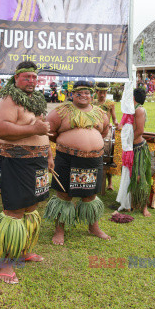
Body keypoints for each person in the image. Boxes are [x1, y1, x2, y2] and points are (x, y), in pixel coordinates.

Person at [0, 61, 53, 284]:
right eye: (27, 77)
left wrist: (49, 156)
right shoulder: (7, 99)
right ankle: (4, 262)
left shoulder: (34, 100)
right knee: (14, 211)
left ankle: (23, 250)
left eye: (34, 77)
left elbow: (42, 130)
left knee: (30, 207)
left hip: (37, 162)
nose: (31, 81)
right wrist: (33, 129)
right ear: (15, 78)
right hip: (14, 162)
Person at [44, 81, 110, 246]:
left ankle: (93, 227)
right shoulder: (61, 111)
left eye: (87, 92)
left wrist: (90, 144)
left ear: (91, 94)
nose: (83, 96)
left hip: (93, 159)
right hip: (67, 158)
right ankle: (59, 230)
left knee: (90, 195)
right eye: (79, 93)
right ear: (72, 94)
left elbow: (104, 131)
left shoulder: (100, 113)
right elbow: (47, 132)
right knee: (64, 195)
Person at [128, 88, 152, 217]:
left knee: (140, 178)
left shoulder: (139, 110)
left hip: (138, 147)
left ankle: (144, 207)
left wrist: (129, 142)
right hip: (131, 146)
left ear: (134, 97)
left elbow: (140, 130)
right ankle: (132, 203)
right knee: (131, 177)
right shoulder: (133, 109)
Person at [93, 82, 119, 190]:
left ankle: (110, 183)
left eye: (104, 92)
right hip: (94, 131)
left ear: (106, 92)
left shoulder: (110, 104)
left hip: (106, 130)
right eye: (100, 92)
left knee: (108, 155)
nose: (102, 94)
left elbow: (114, 117)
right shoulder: (93, 103)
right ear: (96, 92)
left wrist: (116, 123)